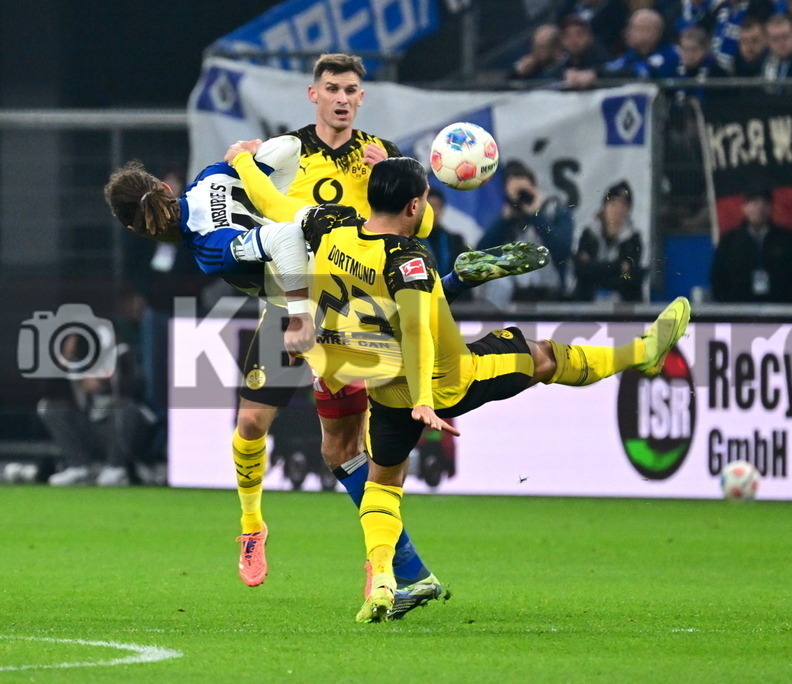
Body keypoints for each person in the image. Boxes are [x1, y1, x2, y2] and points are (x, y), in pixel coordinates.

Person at [289, 156, 691, 622]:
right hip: (448, 381)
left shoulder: (332, 230)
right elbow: (417, 331)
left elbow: (299, 234)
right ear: (416, 204)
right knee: (542, 356)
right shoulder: (407, 259)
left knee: (382, 486)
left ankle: (382, 582)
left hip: (382, 390)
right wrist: (424, 399)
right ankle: (642, 353)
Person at [220, 53, 546, 610]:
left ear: (361, 98)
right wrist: (241, 164)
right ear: (313, 94)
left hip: (356, 321)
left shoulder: (381, 153)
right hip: (294, 301)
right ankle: (252, 525)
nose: (342, 98)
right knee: (251, 421)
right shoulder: (287, 152)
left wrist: (391, 163)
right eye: (332, 88)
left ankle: (391, 568)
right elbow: (248, 198)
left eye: (350, 89)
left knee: (347, 448)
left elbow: (418, 222)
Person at [38, 324, 159, 487]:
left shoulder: (122, 354)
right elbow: (49, 392)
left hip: (116, 427)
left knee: (128, 409)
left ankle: (116, 468)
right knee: (50, 407)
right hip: (90, 424)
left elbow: (135, 388)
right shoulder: (79, 363)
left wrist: (103, 385)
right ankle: (79, 466)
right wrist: (65, 359)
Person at [477, 160, 575, 302]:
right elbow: (481, 254)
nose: (520, 199)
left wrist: (536, 215)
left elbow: (562, 250)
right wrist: (504, 220)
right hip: (513, 297)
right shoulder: (507, 220)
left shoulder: (555, 212)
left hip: (551, 296)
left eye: (524, 192)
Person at [710, 188, 792, 302]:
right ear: (744, 208)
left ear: (771, 208)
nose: (759, 208)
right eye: (754, 203)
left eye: (765, 203)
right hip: (739, 308)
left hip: (779, 306)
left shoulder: (787, 239)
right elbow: (718, 277)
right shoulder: (730, 240)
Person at [573, 180, 645, 302]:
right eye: (613, 204)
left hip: (624, 306)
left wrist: (595, 267)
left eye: (623, 205)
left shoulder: (634, 238)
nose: (617, 210)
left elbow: (631, 276)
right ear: (604, 206)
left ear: (628, 210)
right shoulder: (589, 234)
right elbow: (581, 270)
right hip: (588, 304)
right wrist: (617, 267)